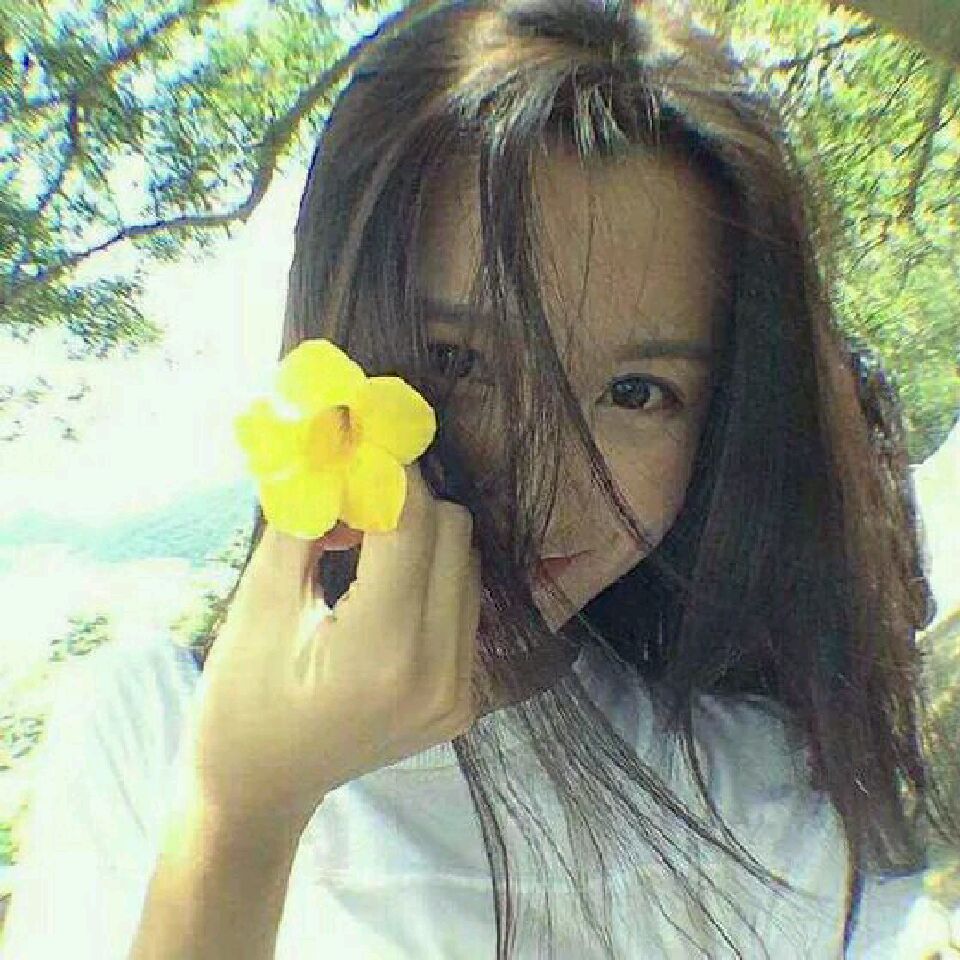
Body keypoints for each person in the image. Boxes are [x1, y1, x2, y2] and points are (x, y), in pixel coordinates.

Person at [3, 0, 958, 957]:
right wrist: (242, 811)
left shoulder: (766, 796)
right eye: (459, 362)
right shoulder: (152, 735)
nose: (543, 481)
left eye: (637, 392)